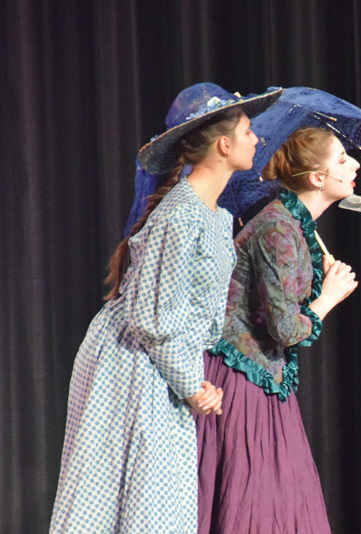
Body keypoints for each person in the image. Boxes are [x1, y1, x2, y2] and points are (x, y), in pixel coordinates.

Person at [49, 82, 280, 534]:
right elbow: (153, 319)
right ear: (224, 143)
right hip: (132, 363)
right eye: (250, 131)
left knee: (160, 501)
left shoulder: (214, 215)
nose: (258, 140)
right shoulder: (180, 215)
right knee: (131, 500)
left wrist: (193, 379)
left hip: (164, 365)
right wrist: (192, 386)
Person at [195, 127, 360, 534]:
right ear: (317, 178)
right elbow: (286, 328)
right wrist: (331, 297)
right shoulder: (279, 228)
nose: (354, 164)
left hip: (266, 378)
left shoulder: (295, 226)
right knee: (258, 502)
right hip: (242, 379)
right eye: (342, 159)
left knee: (284, 500)